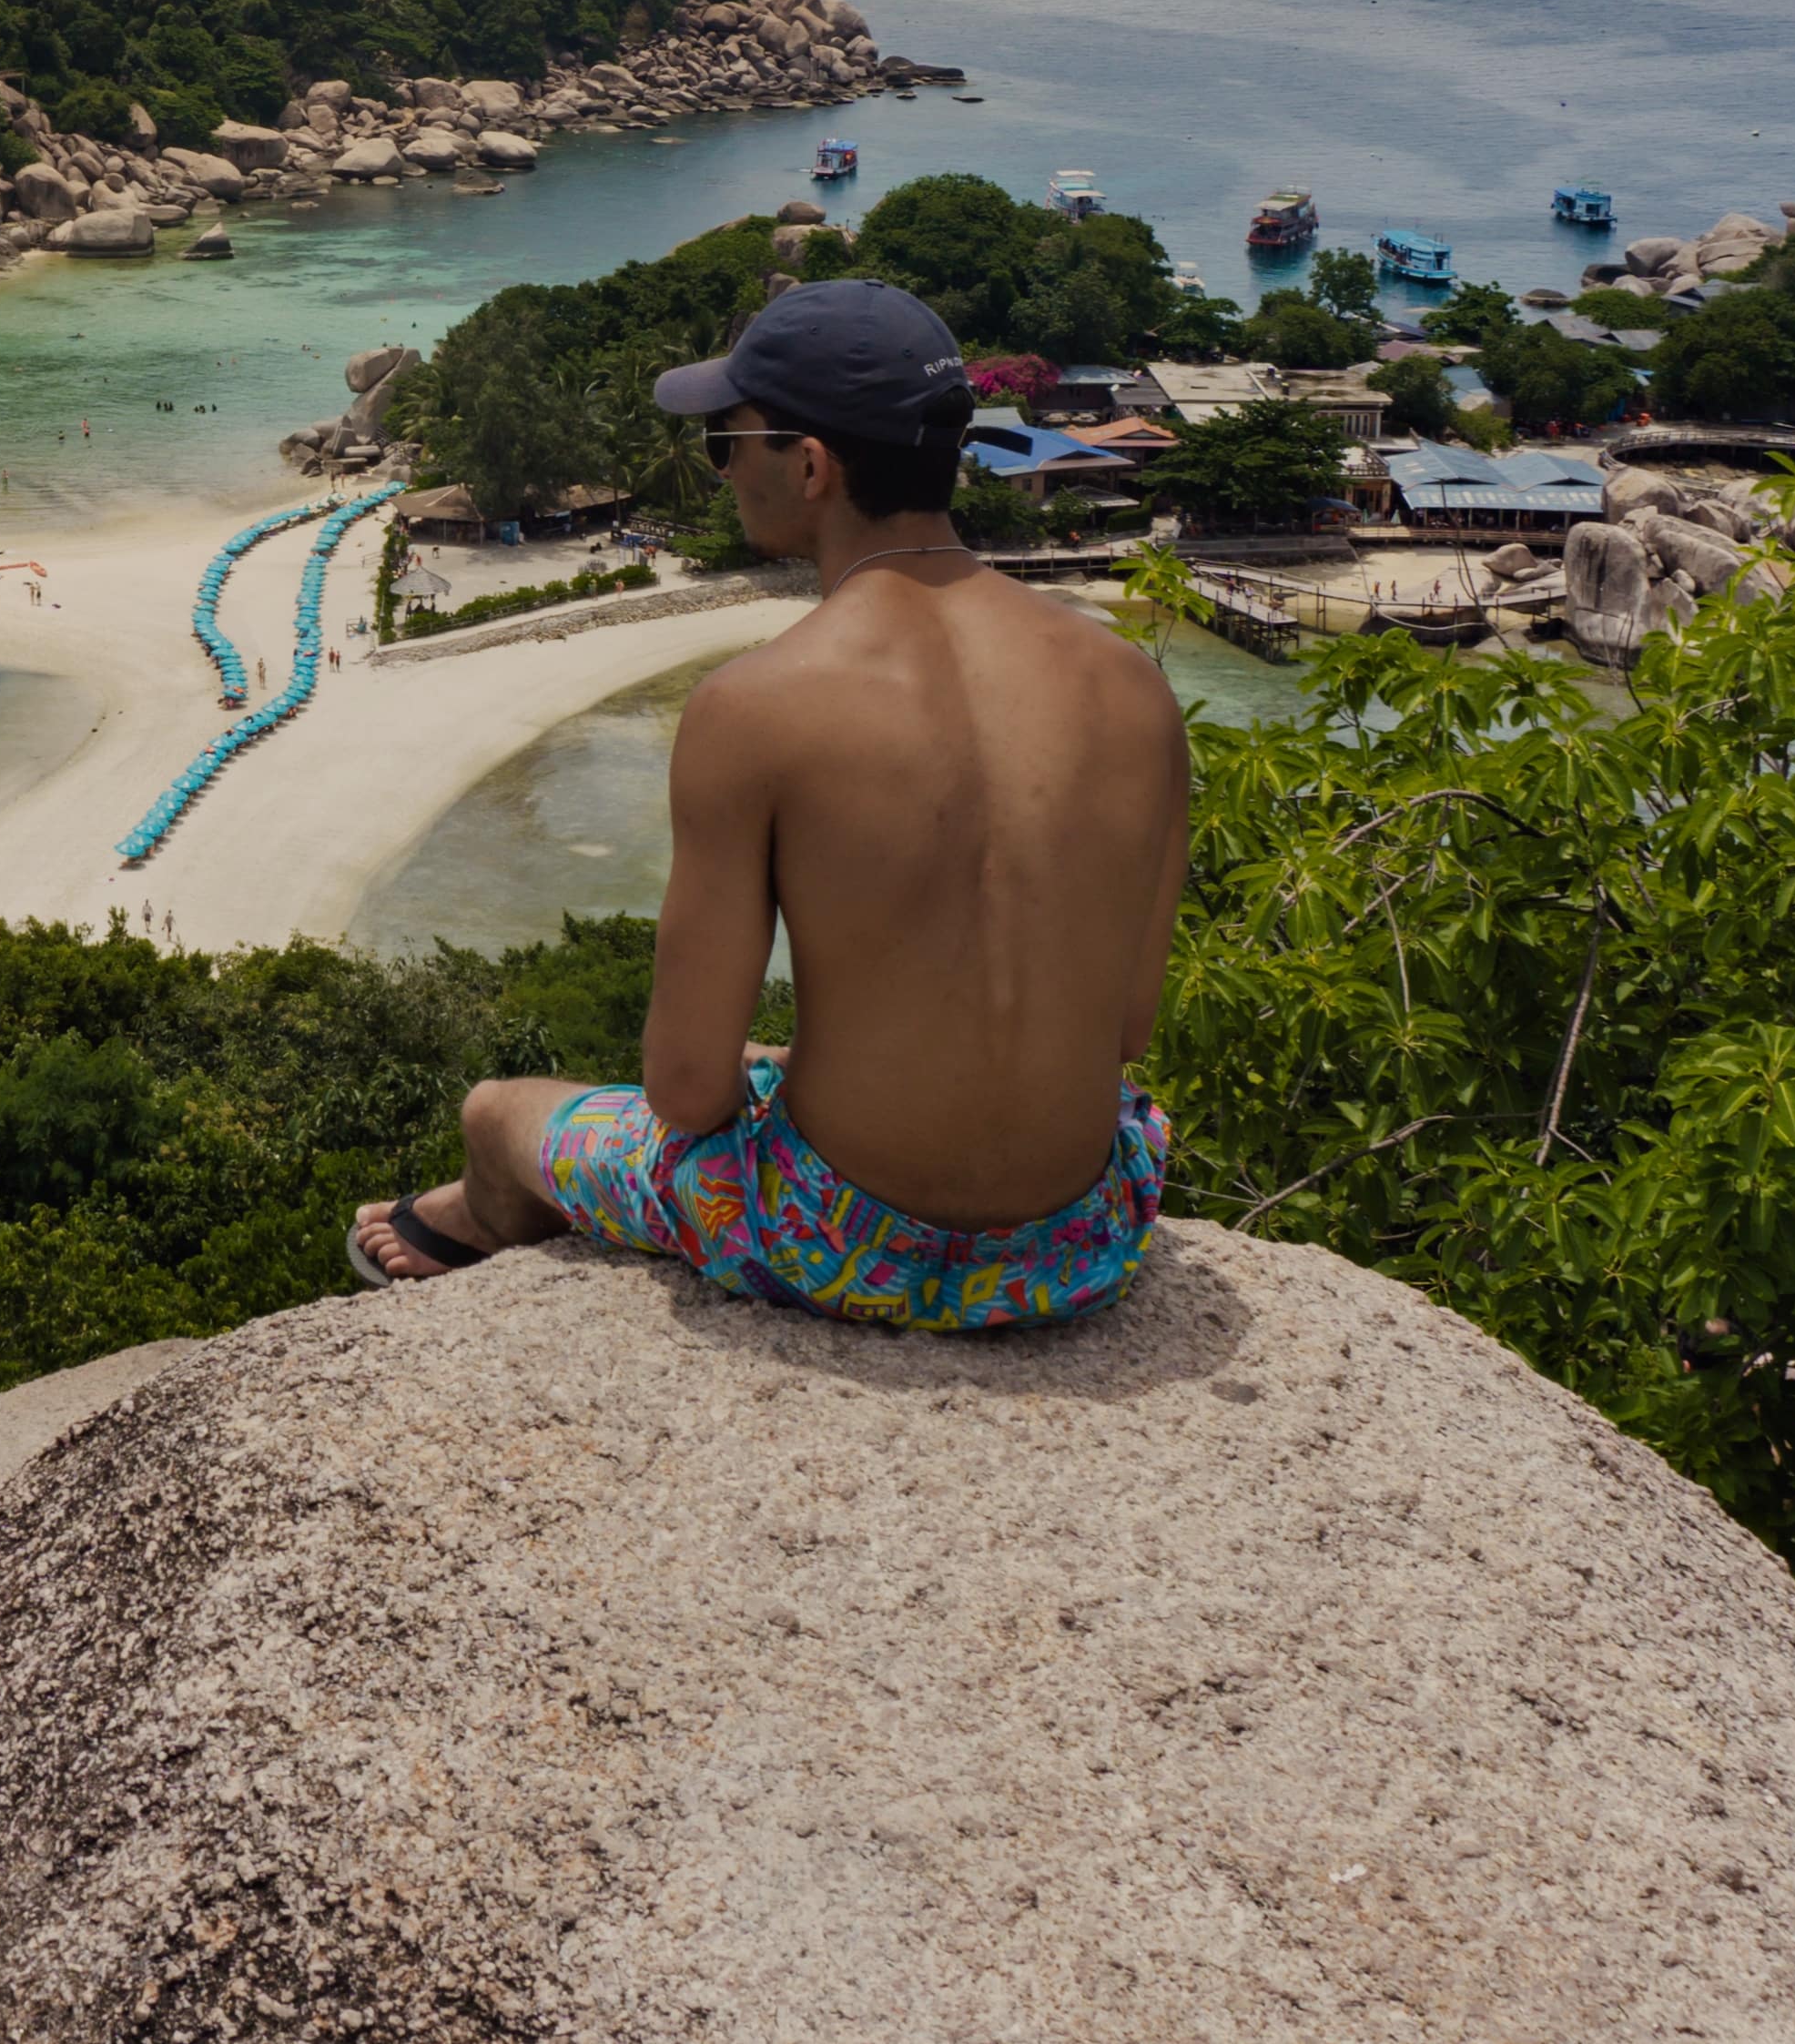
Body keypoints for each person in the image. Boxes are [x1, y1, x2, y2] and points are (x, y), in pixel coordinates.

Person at [348, 279, 1192, 1332]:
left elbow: (689, 1094)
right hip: (1080, 1240)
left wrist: (779, 1076)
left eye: (726, 441)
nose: (722, 467)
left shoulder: (756, 705)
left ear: (809, 464)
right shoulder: (1134, 689)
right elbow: (1122, 1027)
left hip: (840, 1239)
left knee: (501, 1109)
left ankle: (473, 1211)